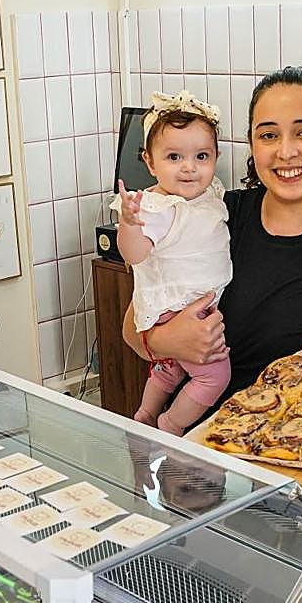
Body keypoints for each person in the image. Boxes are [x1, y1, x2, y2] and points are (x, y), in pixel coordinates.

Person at [121, 67, 302, 407]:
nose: (286, 152)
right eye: (269, 135)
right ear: (252, 143)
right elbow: (131, 330)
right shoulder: (214, 217)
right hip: (191, 448)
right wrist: (166, 341)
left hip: (286, 451)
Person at [112, 90, 232, 436]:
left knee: (173, 367)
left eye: (201, 156)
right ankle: (170, 426)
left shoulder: (209, 196)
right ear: (150, 163)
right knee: (214, 375)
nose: (189, 167)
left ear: (215, 157)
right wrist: (129, 225)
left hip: (189, 307)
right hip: (173, 306)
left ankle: (147, 412)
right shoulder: (159, 207)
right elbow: (134, 255)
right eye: (174, 157)